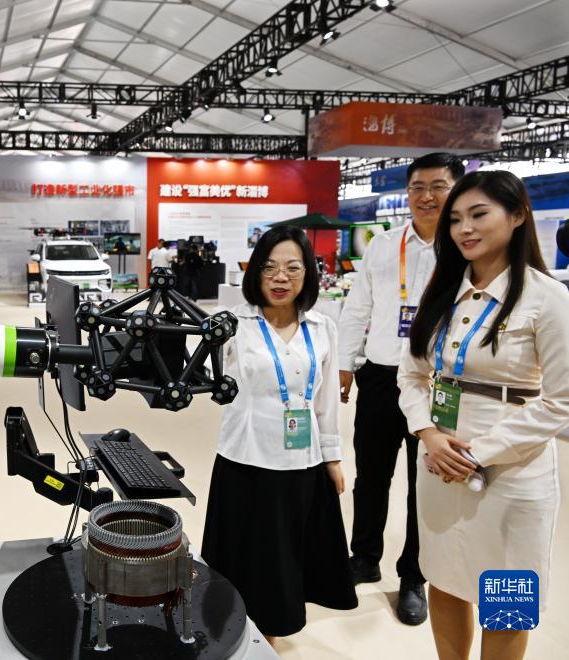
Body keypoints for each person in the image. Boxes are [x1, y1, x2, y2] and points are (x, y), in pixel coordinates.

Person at [399, 170, 568, 660]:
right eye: (455, 219)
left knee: (506, 596)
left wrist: (479, 453)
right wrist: (428, 434)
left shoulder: (547, 297)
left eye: (478, 215)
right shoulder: (442, 292)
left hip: (513, 472)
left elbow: (561, 401)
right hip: (439, 464)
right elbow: (411, 375)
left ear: (517, 216)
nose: (464, 229)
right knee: (444, 576)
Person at [202, 226, 357, 648]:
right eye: (269, 268)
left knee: (283, 561)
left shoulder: (323, 327)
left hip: (300, 463)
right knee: (243, 559)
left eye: (292, 267)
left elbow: (326, 400)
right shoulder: (233, 324)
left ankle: (266, 640)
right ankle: (233, 636)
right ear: (255, 272)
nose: (280, 277)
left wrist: (332, 457)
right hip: (245, 459)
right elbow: (203, 374)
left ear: (308, 273)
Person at [338, 152, 465, 625]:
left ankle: (414, 576)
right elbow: (358, 305)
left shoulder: (465, 247)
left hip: (438, 383)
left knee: (424, 483)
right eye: (417, 187)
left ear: (456, 189)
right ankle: (364, 557)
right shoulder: (384, 244)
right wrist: (346, 363)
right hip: (380, 376)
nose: (426, 196)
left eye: (438, 186)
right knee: (371, 475)